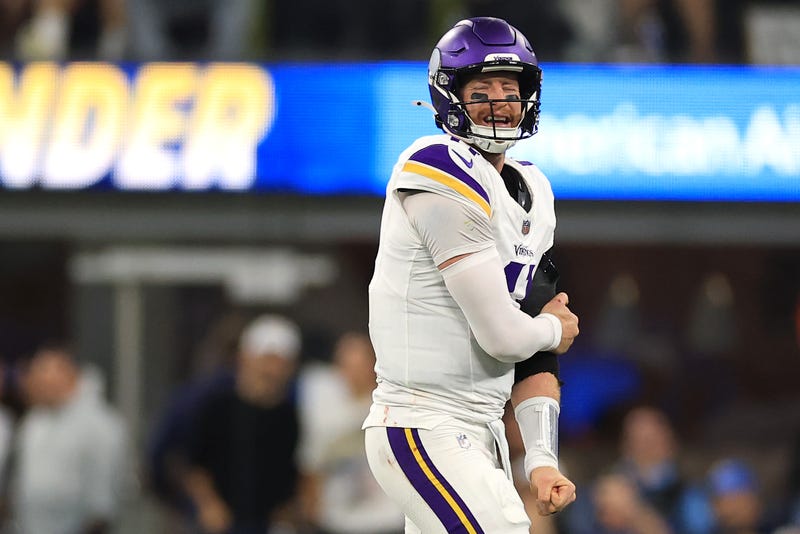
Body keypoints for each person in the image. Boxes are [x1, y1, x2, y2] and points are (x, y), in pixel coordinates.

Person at [362, 16, 580, 533]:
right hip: (423, 421)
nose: (500, 102)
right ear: (449, 96)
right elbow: (506, 336)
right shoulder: (436, 165)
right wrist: (553, 328)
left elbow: (532, 354)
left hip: (479, 431)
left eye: (511, 88)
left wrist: (541, 458)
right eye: (481, 89)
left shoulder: (533, 189)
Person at [180, 314, 302, 534]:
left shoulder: (289, 413)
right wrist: (209, 505)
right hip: (222, 523)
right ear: (246, 358)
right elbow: (192, 463)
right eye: (266, 360)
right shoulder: (216, 405)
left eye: (279, 362)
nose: (271, 370)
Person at [10, 342, 131, 534]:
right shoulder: (35, 422)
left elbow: (103, 503)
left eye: (42, 376)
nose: (33, 384)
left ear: (65, 374)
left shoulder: (100, 425)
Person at [298, 331, 404, 534]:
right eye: (347, 365)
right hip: (338, 523)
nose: (354, 373)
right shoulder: (323, 411)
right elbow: (311, 466)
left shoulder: (394, 408)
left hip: (388, 522)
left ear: (373, 365)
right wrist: (312, 515)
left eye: (360, 365)